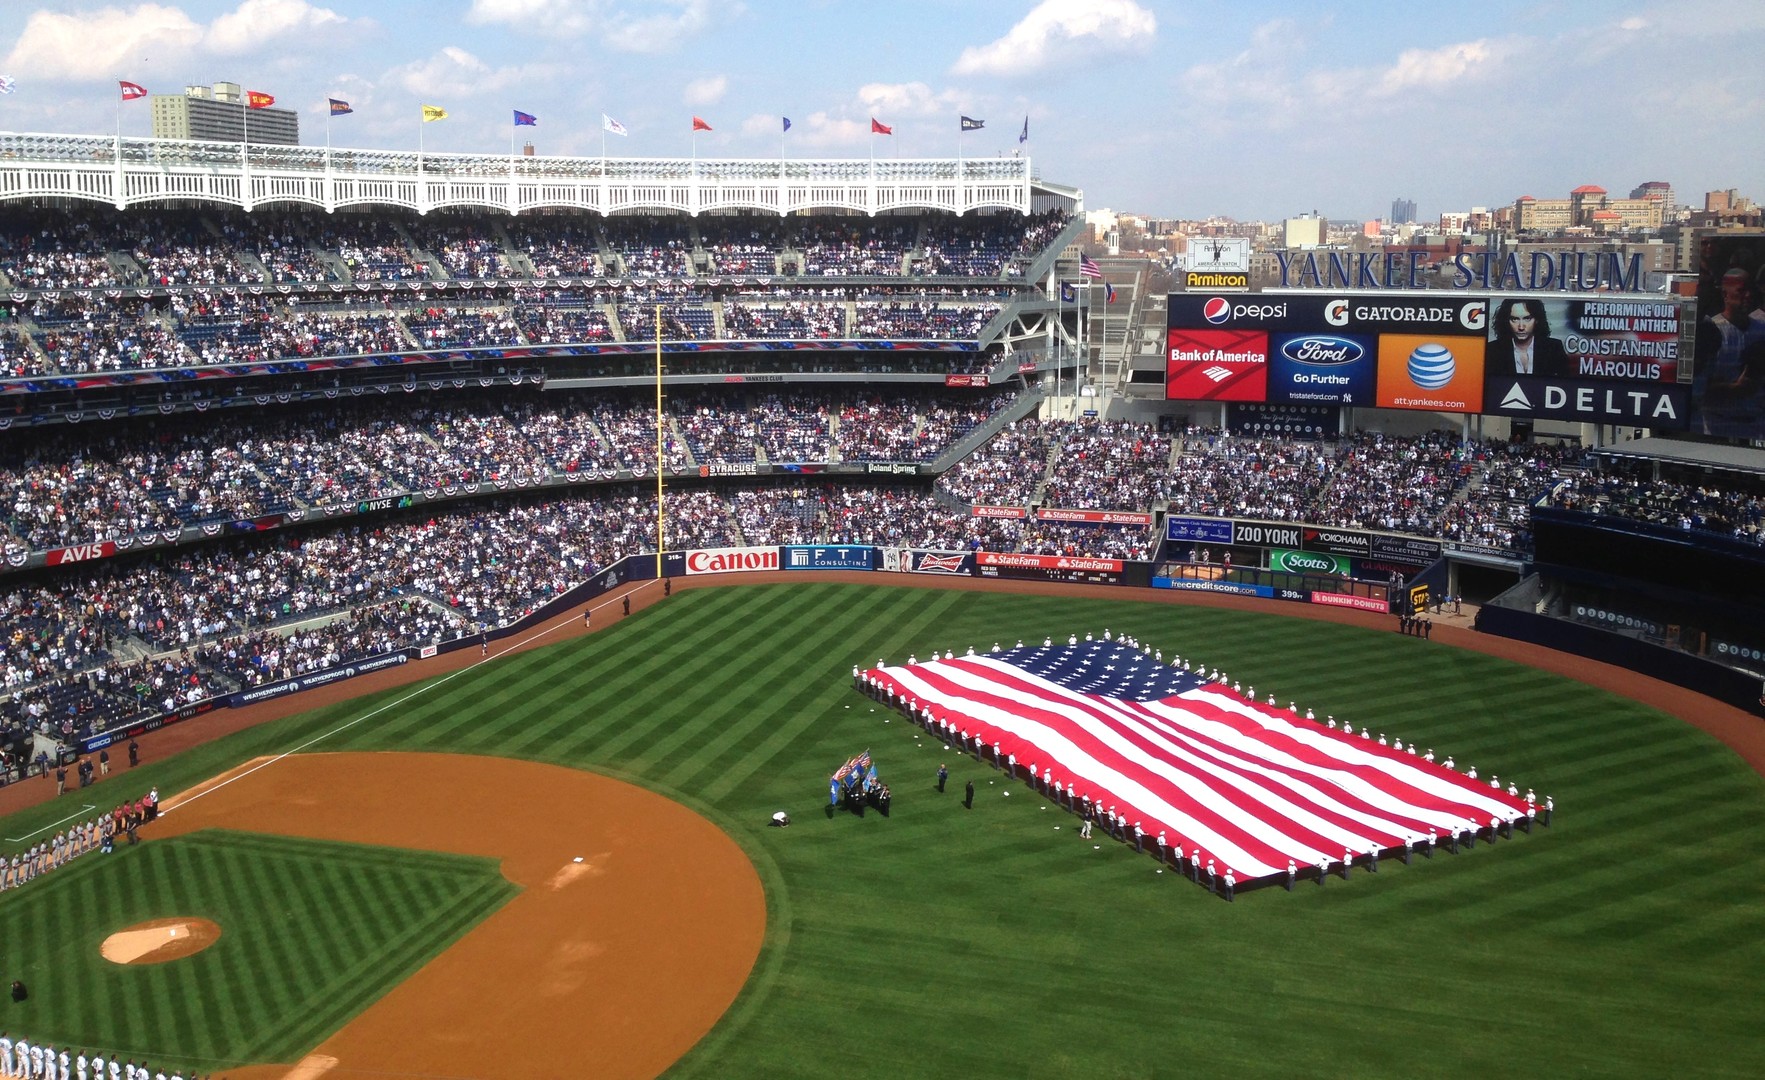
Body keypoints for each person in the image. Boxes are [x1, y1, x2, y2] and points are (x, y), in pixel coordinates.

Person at [1488, 297, 1571, 377]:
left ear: (1537, 320)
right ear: (1506, 321)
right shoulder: (1493, 350)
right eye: (1515, 319)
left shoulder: (1554, 348)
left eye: (1527, 318)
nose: (1521, 327)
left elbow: (1565, 382)